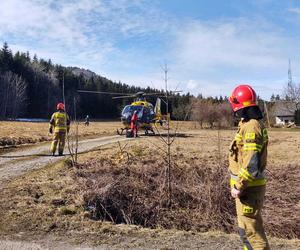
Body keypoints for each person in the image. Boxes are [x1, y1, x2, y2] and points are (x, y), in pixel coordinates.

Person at [228, 84, 270, 250]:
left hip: (248, 188)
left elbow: (251, 163)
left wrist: (239, 185)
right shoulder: (246, 123)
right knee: (245, 232)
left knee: (254, 236)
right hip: (245, 188)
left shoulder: (252, 126)